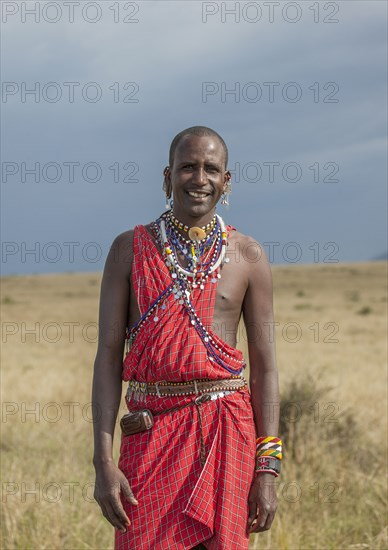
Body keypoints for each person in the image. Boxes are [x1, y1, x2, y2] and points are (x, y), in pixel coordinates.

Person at [92, 126, 281, 550]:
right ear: (167, 176)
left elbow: (266, 368)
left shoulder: (247, 256)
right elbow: (107, 357)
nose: (199, 179)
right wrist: (103, 462)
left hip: (228, 434)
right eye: (188, 167)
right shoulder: (129, 249)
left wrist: (267, 469)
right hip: (151, 434)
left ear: (226, 180)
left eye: (211, 169)